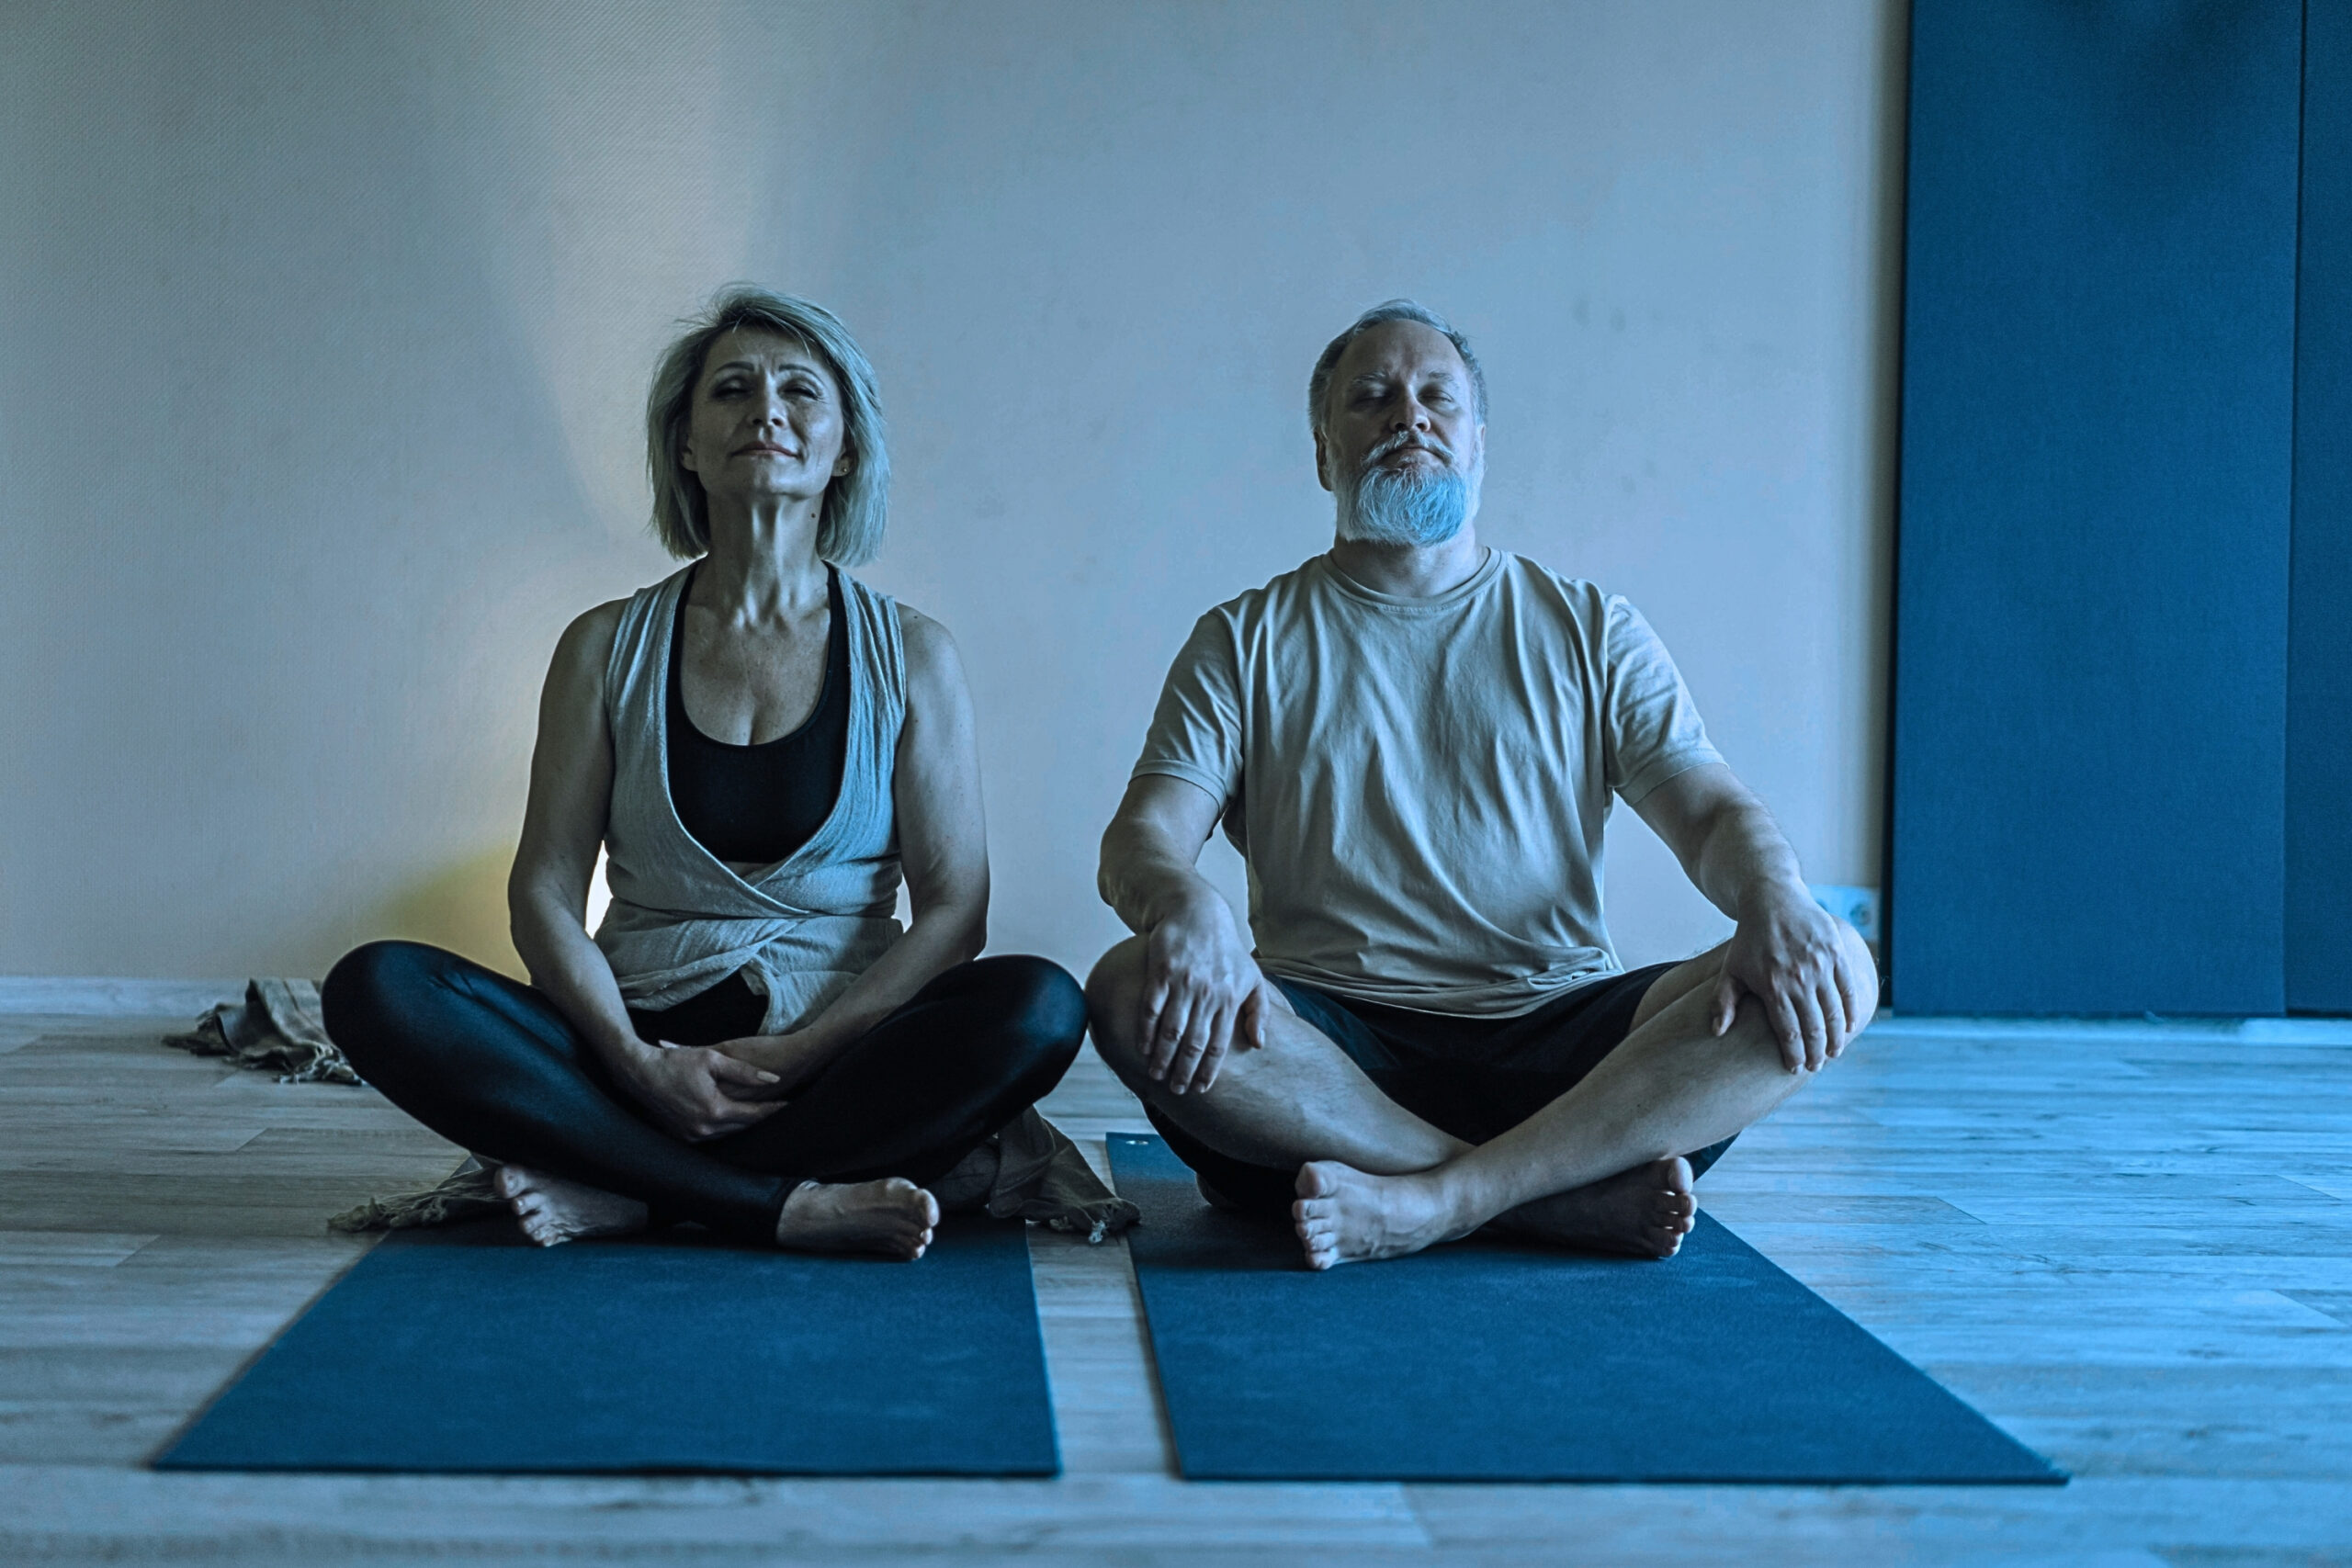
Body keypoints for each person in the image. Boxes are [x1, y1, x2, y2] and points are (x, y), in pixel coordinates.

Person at [1085, 299, 1877, 1270]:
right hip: (1327, 1064)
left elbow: (1709, 813)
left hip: (1564, 1056)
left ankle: (1445, 1197)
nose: (1405, 417)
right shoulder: (1243, 639)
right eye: (1370, 397)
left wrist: (1776, 900)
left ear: (1477, 443)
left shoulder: (1590, 629)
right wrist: (1183, 903)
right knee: (1126, 986)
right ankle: (1535, 1198)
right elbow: (1142, 839)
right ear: (1323, 451)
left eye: (1435, 399)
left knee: (1837, 961)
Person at [323, 288, 1086, 1258]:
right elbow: (546, 890)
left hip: (833, 1055)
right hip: (630, 1041)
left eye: (799, 391)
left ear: (843, 448)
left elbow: (954, 913)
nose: (765, 409)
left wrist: (793, 1054)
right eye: (731, 389)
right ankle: (777, 1202)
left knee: (1040, 1006)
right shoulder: (602, 646)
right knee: (376, 986)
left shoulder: (915, 654)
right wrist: (638, 1065)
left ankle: (636, 1192)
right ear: (686, 444)